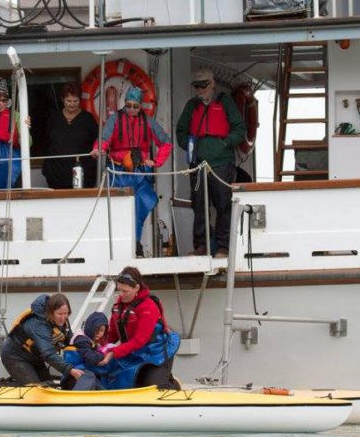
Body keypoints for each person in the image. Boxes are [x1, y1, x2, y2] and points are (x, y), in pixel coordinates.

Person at [91, 86, 172, 256]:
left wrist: (156, 161)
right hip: (117, 173)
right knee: (115, 209)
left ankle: (135, 242)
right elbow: (104, 139)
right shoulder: (114, 120)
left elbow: (166, 142)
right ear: (124, 104)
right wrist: (98, 149)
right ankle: (117, 245)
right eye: (128, 105)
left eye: (135, 106)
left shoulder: (148, 122)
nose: (131, 109)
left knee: (139, 207)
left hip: (139, 173)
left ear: (141, 106)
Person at [175, 68, 246, 256]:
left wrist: (225, 143)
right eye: (197, 86)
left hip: (221, 163)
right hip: (198, 164)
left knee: (223, 205)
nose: (200, 90)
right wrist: (190, 146)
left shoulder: (226, 103)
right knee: (198, 205)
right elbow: (181, 132)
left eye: (203, 86)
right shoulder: (192, 106)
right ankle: (201, 246)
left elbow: (240, 129)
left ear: (212, 84)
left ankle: (223, 246)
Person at [100, 266, 180, 390]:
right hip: (132, 352)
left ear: (136, 288)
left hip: (155, 352)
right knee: (116, 378)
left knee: (153, 387)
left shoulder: (149, 307)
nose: (121, 294)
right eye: (119, 290)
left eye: (125, 291)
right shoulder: (119, 305)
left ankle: (172, 384)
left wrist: (113, 352)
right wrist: (99, 346)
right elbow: (113, 335)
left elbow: (139, 340)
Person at [1, 292, 85, 386]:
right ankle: (7, 385)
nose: (63, 317)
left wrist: (86, 344)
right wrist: (70, 370)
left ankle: (20, 379)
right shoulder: (39, 325)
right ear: (51, 312)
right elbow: (48, 354)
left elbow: (69, 338)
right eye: (59, 314)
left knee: (49, 386)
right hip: (14, 356)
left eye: (66, 313)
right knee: (35, 388)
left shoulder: (62, 319)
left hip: (35, 357)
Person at [43, 82, 98, 189]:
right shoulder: (54, 118)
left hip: (83, 174)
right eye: (68, 101)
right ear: (62, 99)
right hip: (55, 174)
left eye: (75, 101)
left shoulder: (88, 119)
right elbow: (47, 140)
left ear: (80, 100)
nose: (72, 104)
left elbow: (97, 141)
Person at [0, 77, 24, 190]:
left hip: (12, 160)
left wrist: (23, 135)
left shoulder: (16, 115)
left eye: (4, 100)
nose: (1, 103)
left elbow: (29, 142)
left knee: (15, 191)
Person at [60, 311, 110, 391]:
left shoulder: (92, 340)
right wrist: (103, 354)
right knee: (89, 376)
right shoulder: (81, 339)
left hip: (82, 374)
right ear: (90, 327)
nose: (98, 333)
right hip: (73, 376)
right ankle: (74, 401)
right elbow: (91, 359)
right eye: (96, 329)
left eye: (101, 330)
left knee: (102, 389)